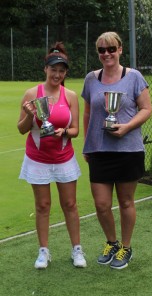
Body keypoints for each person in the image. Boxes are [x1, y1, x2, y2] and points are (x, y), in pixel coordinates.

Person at [81, 32, 152, 270]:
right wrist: (87, 144)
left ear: (120, 49)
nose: (106, 54)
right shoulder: (91, 78)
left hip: (128, 149)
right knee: (101, 204)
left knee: (125, 201)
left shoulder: (134, 77)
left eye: (111, 48)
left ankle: (126, 247)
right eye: (101, 50)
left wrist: (127, 127)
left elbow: (146, 109)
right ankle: (111, 243)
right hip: (99, 150)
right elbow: (88, 113)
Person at [18, 41, 87, 269]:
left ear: (65, 72)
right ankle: (44, 252)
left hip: (64, 157)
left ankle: (77, 249)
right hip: (37, 159)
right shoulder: (31, 93)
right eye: (53, 69)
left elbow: (75, 130)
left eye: (61, 70)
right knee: (43, 206)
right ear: (45, 69)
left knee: (70, 204)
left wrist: (64, 132)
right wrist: (29, 115)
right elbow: (21, 128)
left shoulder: (70, 95)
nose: (57, 74)